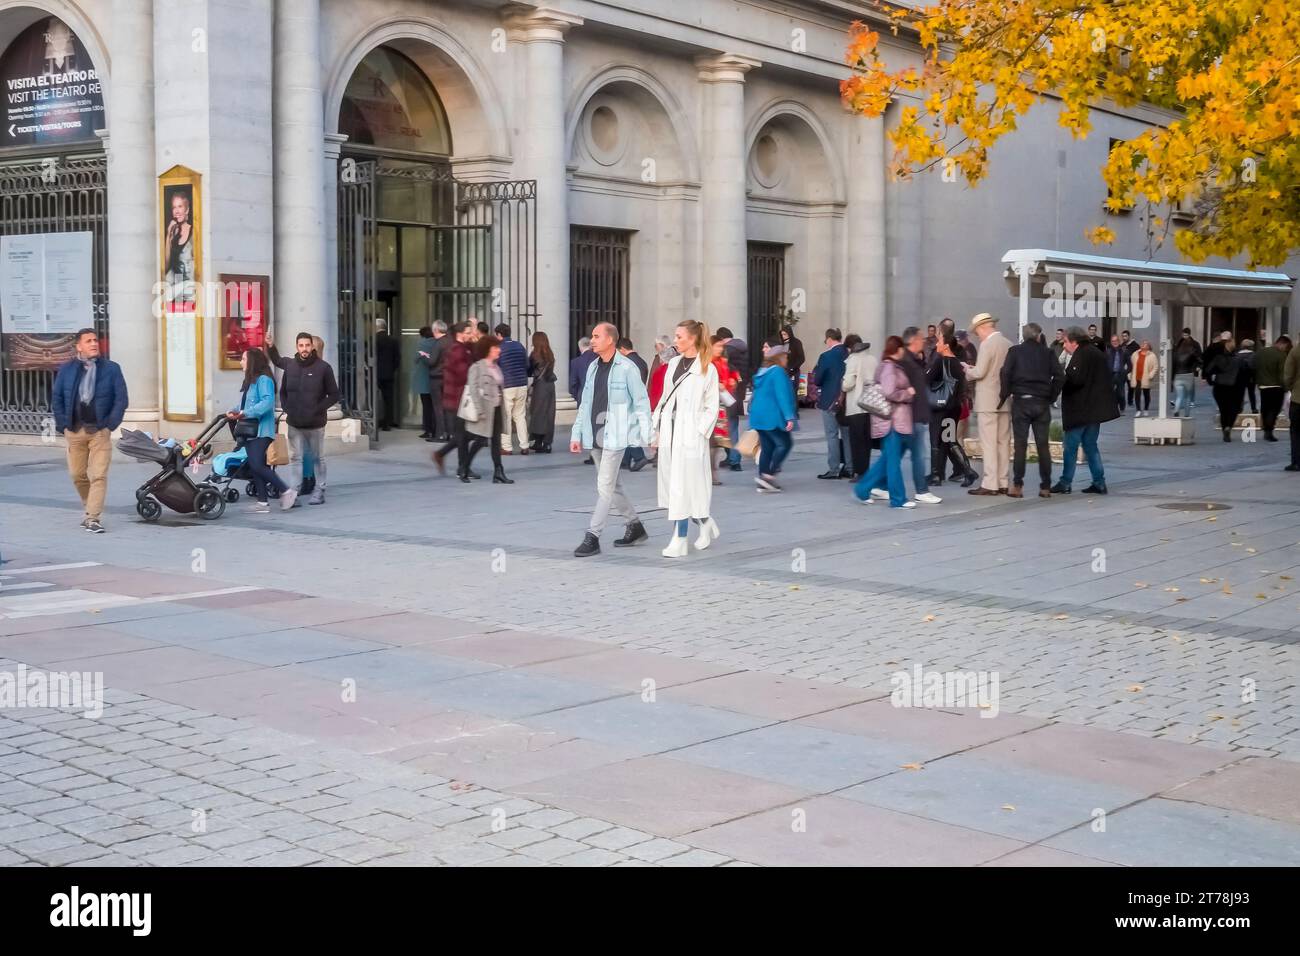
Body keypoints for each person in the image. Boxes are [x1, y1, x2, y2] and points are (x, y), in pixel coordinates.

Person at [571, 323, 653, 557]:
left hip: (615, 435)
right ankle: (635, 526)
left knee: (604, 487)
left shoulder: (627, 368)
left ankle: (593, 536)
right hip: (594, 434)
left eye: (597, 336)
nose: (592, 340)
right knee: (613, 485)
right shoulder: (593, 368)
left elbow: (641, 402)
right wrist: (577, 434)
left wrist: (648, 435)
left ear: (610, 340)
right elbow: (585, 403)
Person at [652, 320, 721, 557]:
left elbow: (712, 407)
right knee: (676, 487)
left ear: (692, 339)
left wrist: (698, 431)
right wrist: (656, 427)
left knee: (685, 487)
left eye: (680, 337)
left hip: (690, 436)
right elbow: (665, 398)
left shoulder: (707, 368)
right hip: (670, 432)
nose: (676, 341)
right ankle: (704, 521)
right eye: (675, 336)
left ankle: (680, 539)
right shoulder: (672, 365)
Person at [51, 328, 128, 533]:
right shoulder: (67, 369)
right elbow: (57, 398)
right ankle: (89, 508)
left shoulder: (112, 369)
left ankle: (93, 518)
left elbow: (121, 399)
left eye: (95, 340)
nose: (94, 344)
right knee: (77, 475)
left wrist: (110, 425)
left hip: (99, 431)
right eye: (88, 341)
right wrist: (62, 425)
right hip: (74, 430)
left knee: (98, 475)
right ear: (79, 346)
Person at [266, 329, 339, 506]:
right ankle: (294, 493)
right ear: (297, 347)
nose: (304, 348)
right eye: (301, 345)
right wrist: (270, 346)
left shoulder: (324, 368)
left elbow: (334, 395)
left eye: (307, 345)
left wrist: (317, 409)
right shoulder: (290, 365)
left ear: (312, 346)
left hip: (315, 424)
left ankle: (319, 490)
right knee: (296, 459)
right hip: (295, 423)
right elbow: (282, 389)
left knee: (317, 458)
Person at [999, 321, 1063, 498]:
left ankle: (1017, 486)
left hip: (1021, 402)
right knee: (1043, 445)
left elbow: (1005, 372)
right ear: (1038, 336)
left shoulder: (1015, 351)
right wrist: (1051, 396)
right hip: (1041, 402)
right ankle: (1045, 486)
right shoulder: (1048, 352)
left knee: (1020, 445)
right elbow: (1059, 376)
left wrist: (1006, 393)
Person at [228, 348, 296, 513]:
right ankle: (262, 502)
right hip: (250, 430)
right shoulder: (251, 381)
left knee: (257, 465)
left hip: (261, 431)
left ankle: (286, 490)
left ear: (252, 361)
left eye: (243, 359)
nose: (241, 362)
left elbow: (267, 403)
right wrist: (233, 411)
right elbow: (245, 404)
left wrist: (246, 413)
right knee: (254, 464)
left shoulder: (264, 380)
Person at [851, 336, 915, 509]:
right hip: (892, 421)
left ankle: (863, 488)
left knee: (887, 459)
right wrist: (908, 393)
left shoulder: (890, 366)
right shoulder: (889, 368)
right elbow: (889, 392)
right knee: (892, 461)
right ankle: (898, 498)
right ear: (899, 349)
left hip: (895, 421)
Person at [1051, 327, 1116, 495]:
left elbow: (1075, 379)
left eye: (1066, 342)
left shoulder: (1081, 355)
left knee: (1070, 447)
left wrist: (1060, 379)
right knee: (1090, 445)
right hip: (1094, 410)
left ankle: (1065, 482)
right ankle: (1099, 482)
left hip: (1080, 410)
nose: (1064, 346)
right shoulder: (1096, 353)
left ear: (1075, 342)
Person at [963, 313, 1012, 496]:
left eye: (977, 332)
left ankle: (990, 483)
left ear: (983, 328)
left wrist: (968, 370)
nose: (977, 336)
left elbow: (980, 372)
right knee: (1003, 442)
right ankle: (1003, 481)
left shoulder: (987, 344)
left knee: (989, 443)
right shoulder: (1007, 343)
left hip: (987, 400)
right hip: (1004, 399)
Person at [459, 335, 513, 484]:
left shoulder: (497, 367)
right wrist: (479, 409)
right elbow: (473, 390)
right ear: (487, 350)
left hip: (496, 409)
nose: (499, 350)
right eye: (495, 347)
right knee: (480, 439)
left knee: (496, 441)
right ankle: (464, 467)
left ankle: (498, 472)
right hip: (484, 409)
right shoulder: (477, 367)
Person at [929, 331, 979, 487]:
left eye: (939, 342)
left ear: (945, 346)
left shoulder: (940, 361)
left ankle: (936, 476)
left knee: (935, 440)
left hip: (940, 408)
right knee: (949, 439)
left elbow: (926, 379)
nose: (936, 344)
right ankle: (968, 471)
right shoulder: (957, 363)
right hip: (954, 407)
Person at [748, 345, 797, 492]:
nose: (787, 358)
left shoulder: (762, 373)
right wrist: (789, 417)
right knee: (785, 444)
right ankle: (768, 477)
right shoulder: (778, 372)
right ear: (780, 357)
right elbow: (782, 395)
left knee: (767, 448)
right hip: (771, 415)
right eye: (786, 356)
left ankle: (763, 481)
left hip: (758, 415)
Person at [432, 321, 476, 477]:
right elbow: (464, 375)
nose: (471, 335)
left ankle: (458, 464)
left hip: (458, 397)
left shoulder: (462, 348)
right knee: (465, 434)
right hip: (458, 398)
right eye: (469, 332)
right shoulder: (457, 350)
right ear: (460, 334)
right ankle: (460, 465)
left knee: (463, 434)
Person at [812, 328, 850, 479]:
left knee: (832, 435)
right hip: (847, 399)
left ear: (829, 339)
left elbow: (817, 379)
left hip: (829, 399)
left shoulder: (826, 356)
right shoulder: (849, 353)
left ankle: (834, 469)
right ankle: (850, 466)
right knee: (847, 435)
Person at [839, 333, 878, 479]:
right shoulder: (872, 359)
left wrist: (842, 384)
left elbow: (848, 384)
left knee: (856, 441)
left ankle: (858, 472)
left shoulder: (853, 360)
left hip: (856, 406)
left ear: (850, 347)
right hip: (870, 404)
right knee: (866, 441)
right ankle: (865, 469)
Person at [709, 334, 740, 485]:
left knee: (715, 443)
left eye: (722, 346)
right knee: (709, 442)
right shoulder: (705, 364)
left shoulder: (722, 362)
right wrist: (716, 385)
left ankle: (713, 473)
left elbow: (729, 377)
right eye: (718, 346)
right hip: (707, 408)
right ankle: (709, 473)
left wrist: (730, 382)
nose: (721, 349)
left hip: (720, 407)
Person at [717, 327, 749, 472]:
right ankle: (732, 458)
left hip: (726, 396)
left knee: (727, 429)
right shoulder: (742, 349)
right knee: (733, 428)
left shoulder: (726, 353)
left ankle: (734, 459)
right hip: (737, 394)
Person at [495, 322, 530, 455]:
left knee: (506, 417)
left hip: (507, 385)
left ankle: (507, 447)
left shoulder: (499, 348)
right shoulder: (519, 345)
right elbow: (526, 364)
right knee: (520, 416)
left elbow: (496, 366)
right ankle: (524, 445)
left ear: (499, 334)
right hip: (521, 384)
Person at [617, 337, 650, 470]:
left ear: (622, 349)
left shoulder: (627, 363)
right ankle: (625, 460)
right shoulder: (641, 361)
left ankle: (639, 457)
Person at [1205, 337, 1245, 442]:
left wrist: (1211, 382)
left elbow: (1208, 371)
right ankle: (1228, 427)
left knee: (1223, 410)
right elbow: (1244, 375)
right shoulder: (1239, 359)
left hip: (1220, 387)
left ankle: (1225, 429)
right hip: (1234, 387)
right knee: (1233, 409)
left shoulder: (1218, 358)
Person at [1254, 335, 1292, 442]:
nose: (1286, 349)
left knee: (1265, 408)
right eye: (1286, 346)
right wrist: (1286, 387)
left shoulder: (1261, 353)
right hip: (1276, 387)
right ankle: (1269, 431)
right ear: (1282, 344)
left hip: (1263, 386)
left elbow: (1255, 367)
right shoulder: (1281, 355)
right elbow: (1282, 374)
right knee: (1274, 409)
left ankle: (1265, 427)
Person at [415, 321, 448, 442]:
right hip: (445, 377)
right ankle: (443, 431)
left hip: (434, 378)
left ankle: (435, 432)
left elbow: (431, 361)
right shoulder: (447, 342)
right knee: (441, 407)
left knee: (433, 407)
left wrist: (424, 356)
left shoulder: (434, 344)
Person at [527, 330, 557, 453]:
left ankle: (538, 441)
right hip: (550, 385)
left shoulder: (534, 355)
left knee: (537, 413)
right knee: (549, 414)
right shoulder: (550, 354)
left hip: (540, 386)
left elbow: (528, 371)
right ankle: (547, 443)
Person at [374, 317, 401, 430]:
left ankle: (373, 421)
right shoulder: (393, 340)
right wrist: (392, 369)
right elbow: (397, 358)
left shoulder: (373, 340)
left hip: (375, 374)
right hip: (388, 374)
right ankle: (387, 423)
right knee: (388, 400)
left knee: (373, 398)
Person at [1171, 328, 1202, 418]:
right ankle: (1187, 414)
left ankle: (1176, 410)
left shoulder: (1177, 350)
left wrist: (1172, 375)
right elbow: (1199, 358)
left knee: (1179, 396)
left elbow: (1174, 362)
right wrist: (1198, 366)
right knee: (1187, 396)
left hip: (1178, 374)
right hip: (1188, 373)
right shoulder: (1192, 349)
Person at [1128, 339, 1158, 417]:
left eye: (1145, 344)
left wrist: (1151, 375)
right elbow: (1131, 363)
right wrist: (1130, 373)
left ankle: (1146, 409)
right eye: (1142, 343)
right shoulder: (1135, 354)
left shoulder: (1152, 355)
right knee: (1137, 394)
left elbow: (1155, 367)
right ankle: (1138, 410)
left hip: (1146, 378)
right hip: (1137, 377)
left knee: (1146, 394)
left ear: (1148, 346)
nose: (1143, 345)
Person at [1104, 334, 1130, 415]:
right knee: (1110, 393)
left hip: (1120, 375)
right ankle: (1113, 410)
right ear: (1111, 342)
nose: (1114, 342)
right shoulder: (1107, 352)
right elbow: (1103, 364)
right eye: (1113, 341)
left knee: (1121, 394)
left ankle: (1122, 408)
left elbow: (1130, 365)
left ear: (1119, 341)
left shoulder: (1124, 351)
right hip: (1110, 375)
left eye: (1116, 341)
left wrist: (1125, 372)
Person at [1285, 342, 1300, 471]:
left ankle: (1296, 462)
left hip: (1298, 399)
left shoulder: (1295, 351)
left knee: (1295, 431)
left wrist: (1291, 388)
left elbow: (1288, 376)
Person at [780, 325, 805, 392]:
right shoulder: (781, 343)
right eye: (782, 334)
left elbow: (801, 358)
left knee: (792, 393)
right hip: (782, 372)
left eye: (785, 334)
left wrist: (792, 367)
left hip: (793, 372)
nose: (783, 336)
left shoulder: (797, 343)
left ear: (789, 333)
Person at [1237, 339, 1258, 414]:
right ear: (1251, 347)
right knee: (1252, 393)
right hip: (1251, 377)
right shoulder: (1254, 355)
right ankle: (1254, 408)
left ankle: (1239, 409)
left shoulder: (1237, 355)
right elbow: (1255, 367)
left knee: (1240, 393)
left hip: (1240, 377)